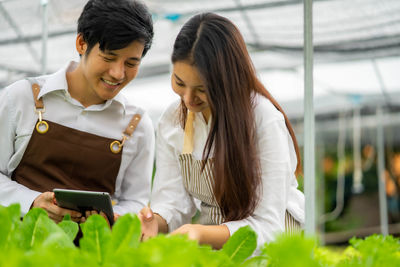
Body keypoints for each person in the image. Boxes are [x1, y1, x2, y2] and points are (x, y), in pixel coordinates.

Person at [139, 13, 304, 250]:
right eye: (179, 82)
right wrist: (153, 221)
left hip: (275, 250)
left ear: (227, 82)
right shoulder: (172, 121)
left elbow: (269, 227)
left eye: (202, 89)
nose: (187, 99)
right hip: (218, 249)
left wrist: (200, 232)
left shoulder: (263, 120)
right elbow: (172, 203)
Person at [0, 0, 154, 224]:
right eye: (109, 57)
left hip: (93, 253)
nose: (118, 73)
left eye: (131, 63)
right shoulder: (22, 97)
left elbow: (137, 201)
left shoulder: (137, 124)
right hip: (18, 249)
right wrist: (31, 202)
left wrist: (112, 217)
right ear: (82, 43)